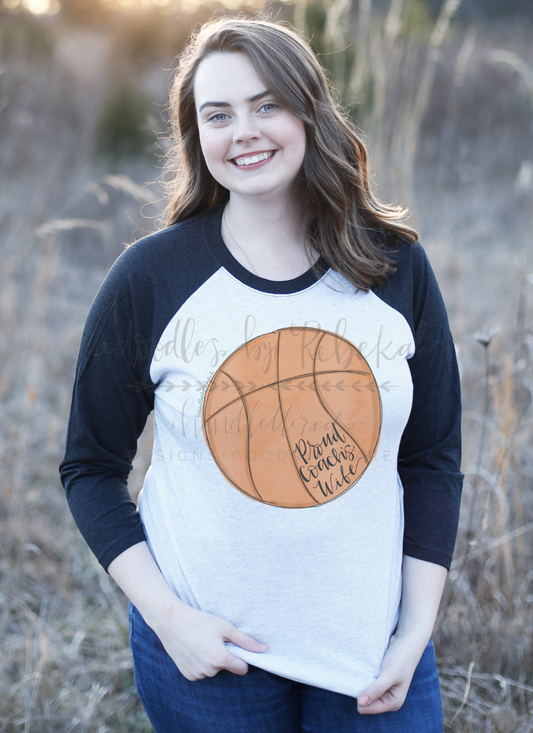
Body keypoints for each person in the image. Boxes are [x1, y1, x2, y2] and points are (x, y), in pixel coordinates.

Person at [59, 15, 463, 733]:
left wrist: (413, 630)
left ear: (309, 110)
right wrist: (170, 617)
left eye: (265, 103)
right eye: (218, 114)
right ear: (197, 137)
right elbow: (90, 467)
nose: (243, 130)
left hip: (369, 653)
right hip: (212, 660)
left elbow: (432, 459)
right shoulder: (151, 277)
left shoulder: (393, 266)